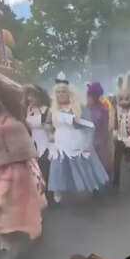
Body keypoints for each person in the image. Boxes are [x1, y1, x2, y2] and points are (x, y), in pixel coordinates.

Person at [0, 73, 47, 252]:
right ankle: (3, 237)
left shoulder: (12, 113)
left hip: (18, 164)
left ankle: (29, 226)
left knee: (23, 199)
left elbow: (17, 91)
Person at [47, 73, 109, 203]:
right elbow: (48, 123)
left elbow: (90, 126)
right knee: (58, 166)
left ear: (69, 93)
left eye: (63, 91)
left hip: (77, 139)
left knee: (84, 165)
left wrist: (88, 142)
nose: (60, 94)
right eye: (58, 92)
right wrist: (50, 134)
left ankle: (93, 187)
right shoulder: (53, 109)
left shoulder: (79, 107)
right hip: (60, 140)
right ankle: (57, 190)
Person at [25, 85, 53, 201]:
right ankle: (39, 197)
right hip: (32, 142)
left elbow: (51, 127)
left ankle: (49, 196)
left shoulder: (47, 109)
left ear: (39, 96)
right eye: (29, 95)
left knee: (46, 170)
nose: (30, 98)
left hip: (46, 142)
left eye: (32, 95)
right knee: (36, 171)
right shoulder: (29, 109)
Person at [84, 82, 111, 180]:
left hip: (98, 142)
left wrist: (102, 143)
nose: (87, 98)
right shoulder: (86, 108)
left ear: (95, 96)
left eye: (89, 96)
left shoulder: (103, 110)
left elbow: (105, 129)